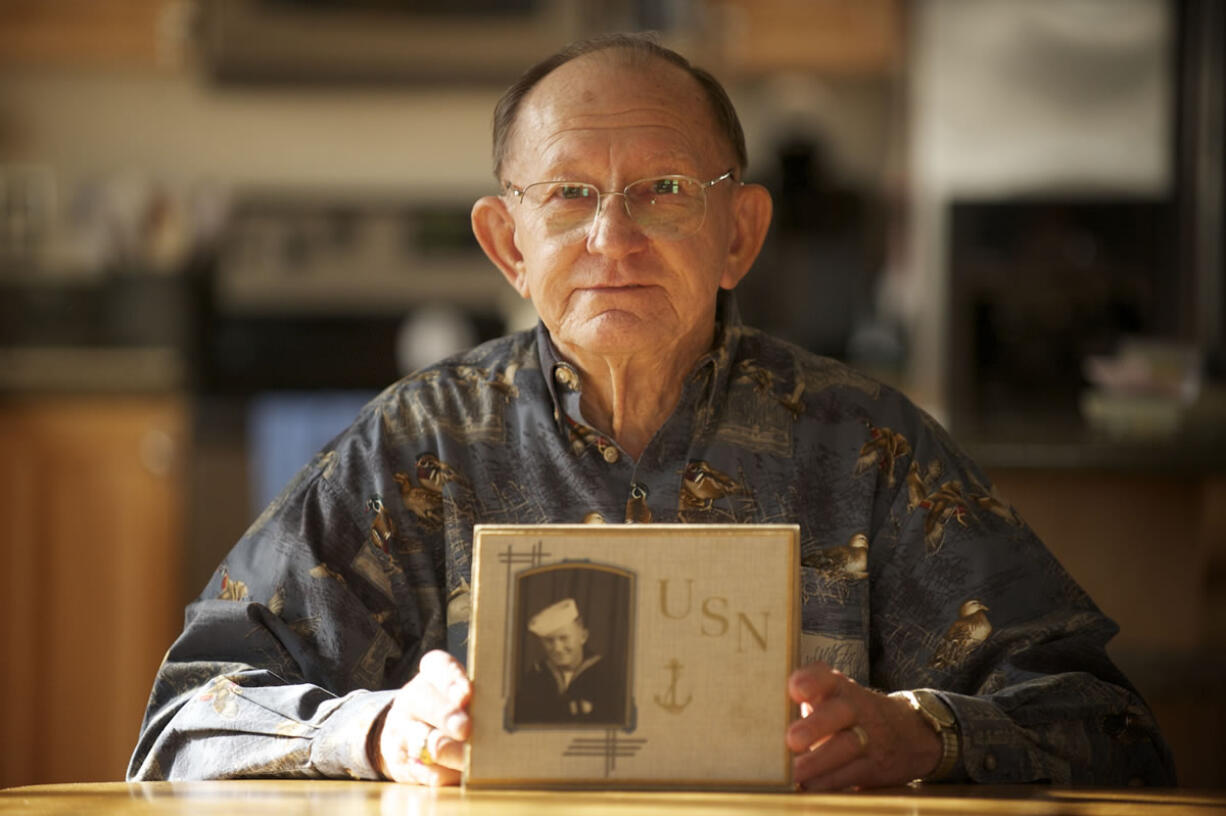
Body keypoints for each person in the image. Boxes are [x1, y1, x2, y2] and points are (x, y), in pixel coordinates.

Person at [128, 33, 1175, 789]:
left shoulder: (865, 447)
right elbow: (183, 724)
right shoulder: (418, 447)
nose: (611, 238)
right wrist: (378, 731)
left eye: (664, 189)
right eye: (569, 196)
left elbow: (1110, 731)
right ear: (506, 244)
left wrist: (926, 736)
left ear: (739, 234)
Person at [514, 598, 621, 725]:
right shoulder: (536, 676)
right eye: (549, 641)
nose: (557, 648)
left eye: (564, 638)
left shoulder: (606, 675)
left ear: (583, 636)